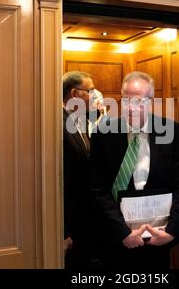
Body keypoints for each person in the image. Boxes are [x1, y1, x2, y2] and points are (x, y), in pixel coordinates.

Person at [90, 71, 179, 269]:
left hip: (158, 236)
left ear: (150, 101)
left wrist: (171, 231)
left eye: (138, 101)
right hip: (117, 237)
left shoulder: (170, 130)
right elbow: (97, 188)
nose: (131, 107)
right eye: (126, 100)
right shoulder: (104, 133)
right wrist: (122, 233)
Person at [62, 70, 101, 269]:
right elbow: (58, 181)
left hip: (86, 220)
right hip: (69, 225)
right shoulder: (56, 124)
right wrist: (63, 231)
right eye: (90, 91)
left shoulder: (82, 121)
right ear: (75, 94)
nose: (94, 95)